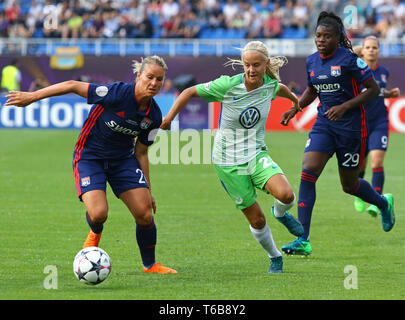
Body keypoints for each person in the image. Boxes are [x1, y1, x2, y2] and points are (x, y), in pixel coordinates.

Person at [4, 55, 177, 274]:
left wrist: (148, 190)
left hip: (122, 161)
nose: (154, 83)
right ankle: (93, 239)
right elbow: (72, 85)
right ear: (139, 76)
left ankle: (150, 265)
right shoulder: (117, 93)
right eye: (149, 77)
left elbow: (141, 152)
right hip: (90, 157)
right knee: (98, 214)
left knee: (144, 214)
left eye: (159, 79)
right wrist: (33, 96)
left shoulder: (154, 115)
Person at [160, 40, 304, 274]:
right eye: (246, 65)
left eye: (256, 65)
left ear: (266, 64)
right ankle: (275, 256)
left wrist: (295, 104)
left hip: (256, 153)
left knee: (287, 195)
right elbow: (188, 92)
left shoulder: (270, 85)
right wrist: (168, 119)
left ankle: (280, 213)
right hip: (227, 162)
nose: (250, 70)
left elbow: (283, 90)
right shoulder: (226, 86)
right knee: (256, 220)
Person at [280, 12, 395, 256]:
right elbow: (312, 89)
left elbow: (373, 90)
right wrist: (296, 107)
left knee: (349, 185)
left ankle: (383, 202)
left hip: (352, 129)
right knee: (308, 171)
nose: (320, 40)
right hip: (324, 125)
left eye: (326, 36)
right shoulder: (311, 61)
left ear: (337, 38)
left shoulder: (350, 60)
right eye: (318, 36)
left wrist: (344, 106)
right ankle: (303, 238)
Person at [353, 36, 400, 217]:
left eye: (374, 47)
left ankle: (377, 201)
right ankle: (359, 194)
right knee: (359, 165)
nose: (371, 50)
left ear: (379, 50)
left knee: (377, 161)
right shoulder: (355, 71)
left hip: (380, 122)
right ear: (362, 50)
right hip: (360, 123)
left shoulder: (384, 72)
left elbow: (377, 93)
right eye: (368, 47)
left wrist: (389, 94)